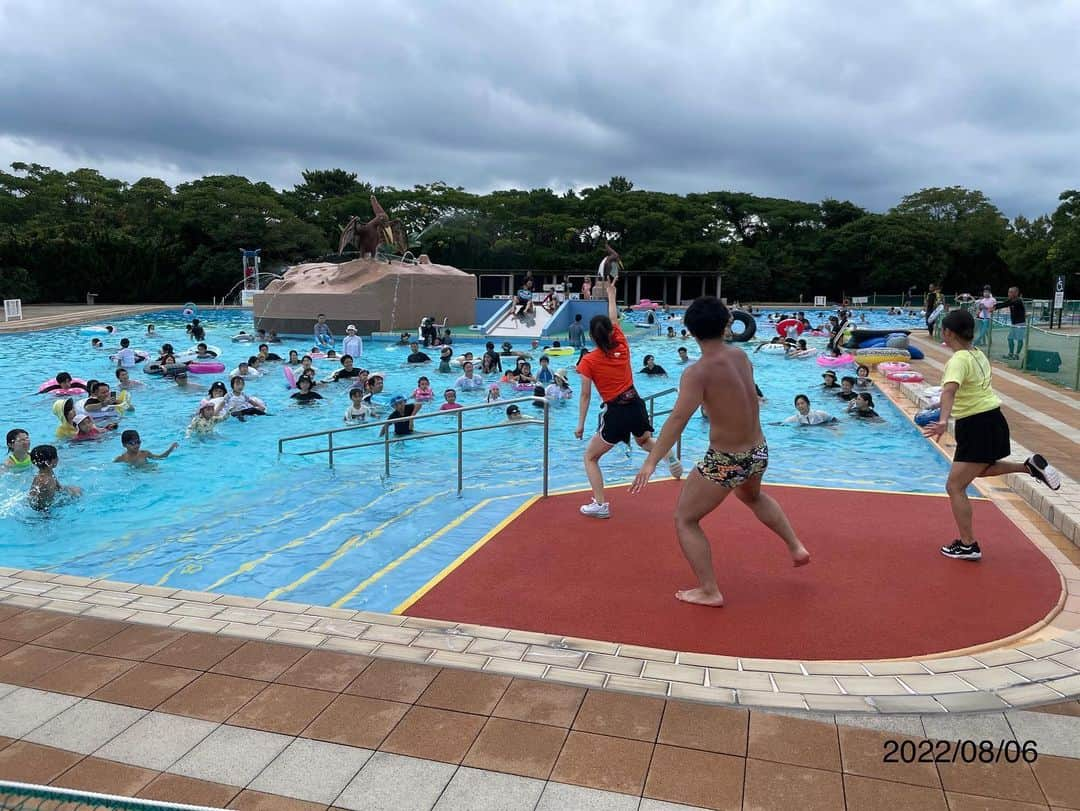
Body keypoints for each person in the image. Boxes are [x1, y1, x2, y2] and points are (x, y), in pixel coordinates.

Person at [629, 296, 809, 606]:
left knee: (685, 519)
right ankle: (795, 546)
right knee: (752, 496)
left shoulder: (696, 373)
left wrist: (651, 460)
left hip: (727, 459)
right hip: (758, 451)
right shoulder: (740, 356)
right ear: (727, 324)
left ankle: (709, 590)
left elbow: (677, 419)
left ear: (691, 331)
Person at [923, 309, 1060, 560]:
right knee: (982, 470)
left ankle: (968, 545)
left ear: (947, 332)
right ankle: (1028, 467)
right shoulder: (977, 355)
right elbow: (966, 389)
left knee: (954, 486)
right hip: (993, 419)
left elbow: (950, 391)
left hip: (976, 424)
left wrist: (942, 420)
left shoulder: (958, 360)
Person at [575, 266, 681, 518]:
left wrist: (580, 424)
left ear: (591, 336)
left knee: (590, 458)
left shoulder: (588, 361)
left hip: (617, 412)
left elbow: (586, 396)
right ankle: (667, 455)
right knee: (643, 440)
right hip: (636, 404)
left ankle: (600, 505)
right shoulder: (621, 342)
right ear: (611, 332)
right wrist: (612, 294)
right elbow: (614, 318)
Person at [28, 445, 81, 510]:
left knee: (77, 490)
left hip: (45, 503)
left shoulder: (48, 471)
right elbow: (44, 506)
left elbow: (59, 488)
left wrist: (71, 492)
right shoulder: (46, 482)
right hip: (44, 513)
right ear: (48, 462)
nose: (58, 458)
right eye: (55, 457)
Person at [993, 286, 1027, 359]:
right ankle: (1011, 353)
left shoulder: (1018, 301)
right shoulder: (1010, 300)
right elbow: (1004, 303)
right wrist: (995, 307)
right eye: (1009, 292)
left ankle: (1016, 355)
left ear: (1016, 293)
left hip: (1020, 324)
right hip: (1014, 323)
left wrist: (995, 307)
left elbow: (1007, 304)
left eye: (1011, 292)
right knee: (1010, 338)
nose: (1009, 294)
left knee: (1019, 339)